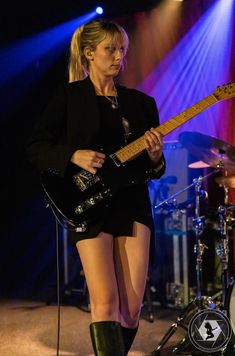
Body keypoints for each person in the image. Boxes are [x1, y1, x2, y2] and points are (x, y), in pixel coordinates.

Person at [27, 19, 165, 356]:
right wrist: (73, 155)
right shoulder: (69, 97)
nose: (119, 56)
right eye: (110, 49)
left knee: (130, 312)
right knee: (104, 304)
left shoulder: (142, 104)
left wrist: (156, 157)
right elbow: (35, 147)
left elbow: (155, 170)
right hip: (87, 203)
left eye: (122, 50)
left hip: (132, 202)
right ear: (89, 53)